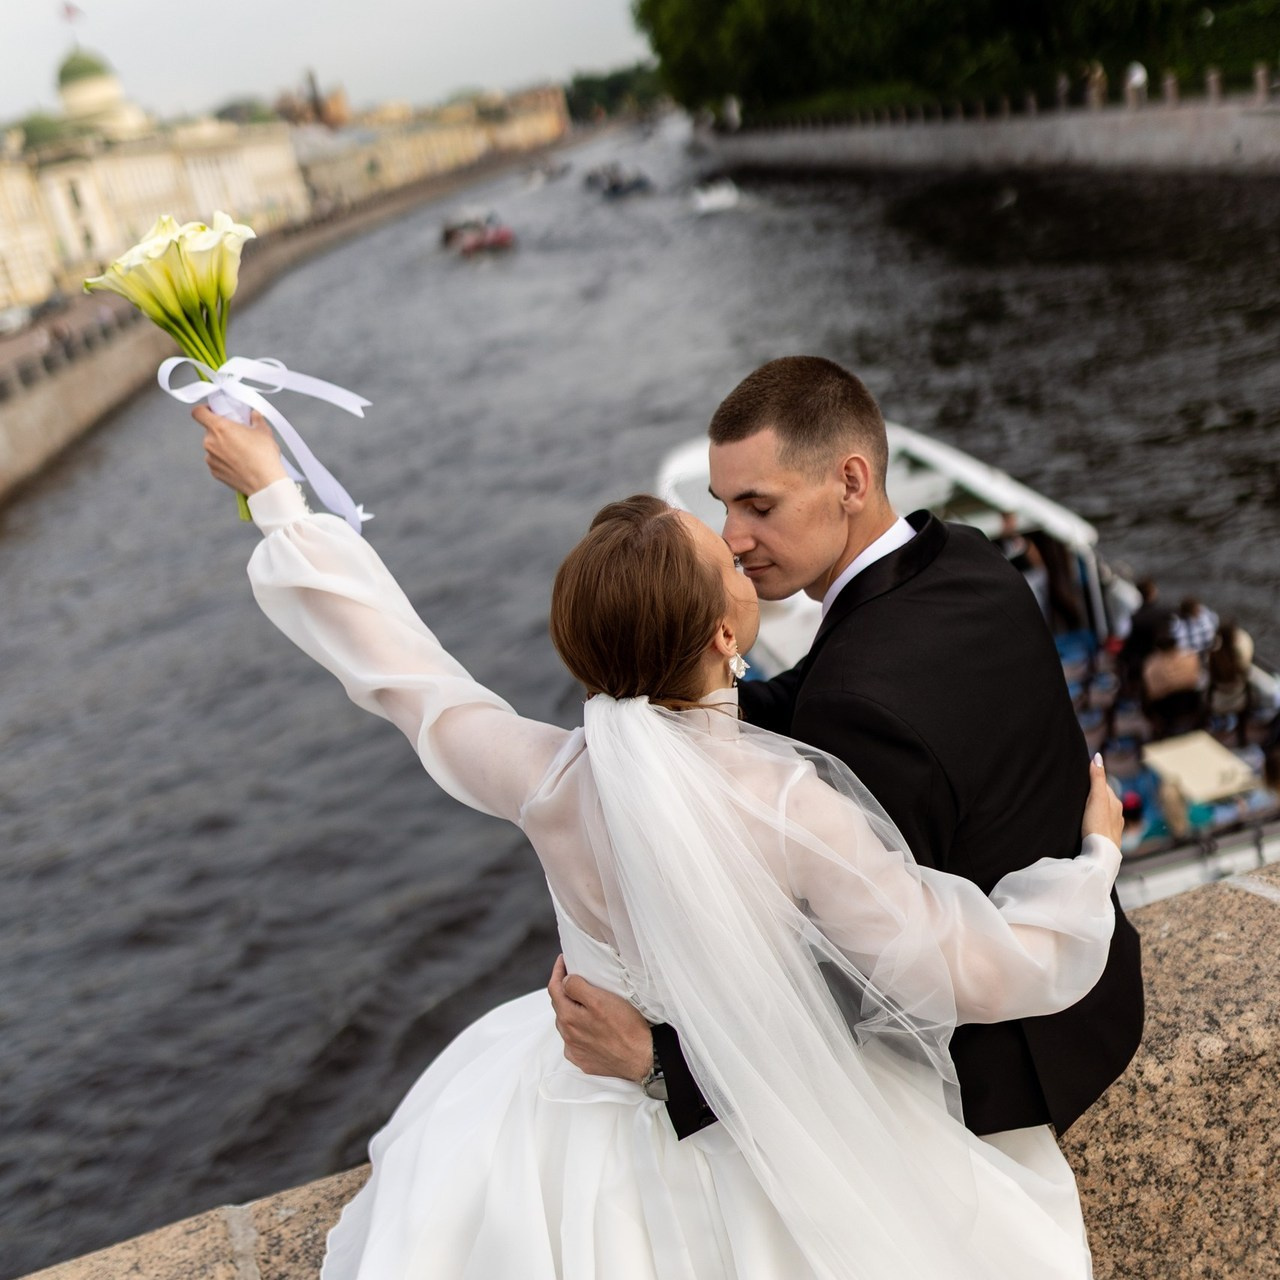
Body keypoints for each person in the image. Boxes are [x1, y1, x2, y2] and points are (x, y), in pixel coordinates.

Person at [197, 399, 1124, 1280]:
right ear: (728, 632)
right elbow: (961, 965)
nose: (732, 541)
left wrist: (279, 500)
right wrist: (1094, 864)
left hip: (567, 1118)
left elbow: (405, 675)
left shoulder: (550, 780)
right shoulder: (792, 805)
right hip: (752, 1130)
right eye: (719, 552)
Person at [549, 357, 1143, 1244]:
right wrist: (666, 674)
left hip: (1006, 1064)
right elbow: (831, 692)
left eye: (758, 506)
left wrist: (662, 1064)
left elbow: (848, 979)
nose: (735, 536)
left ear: (850, 482)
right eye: (723, 507)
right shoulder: (964, 559)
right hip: (1105, 994)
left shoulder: (854, 714)